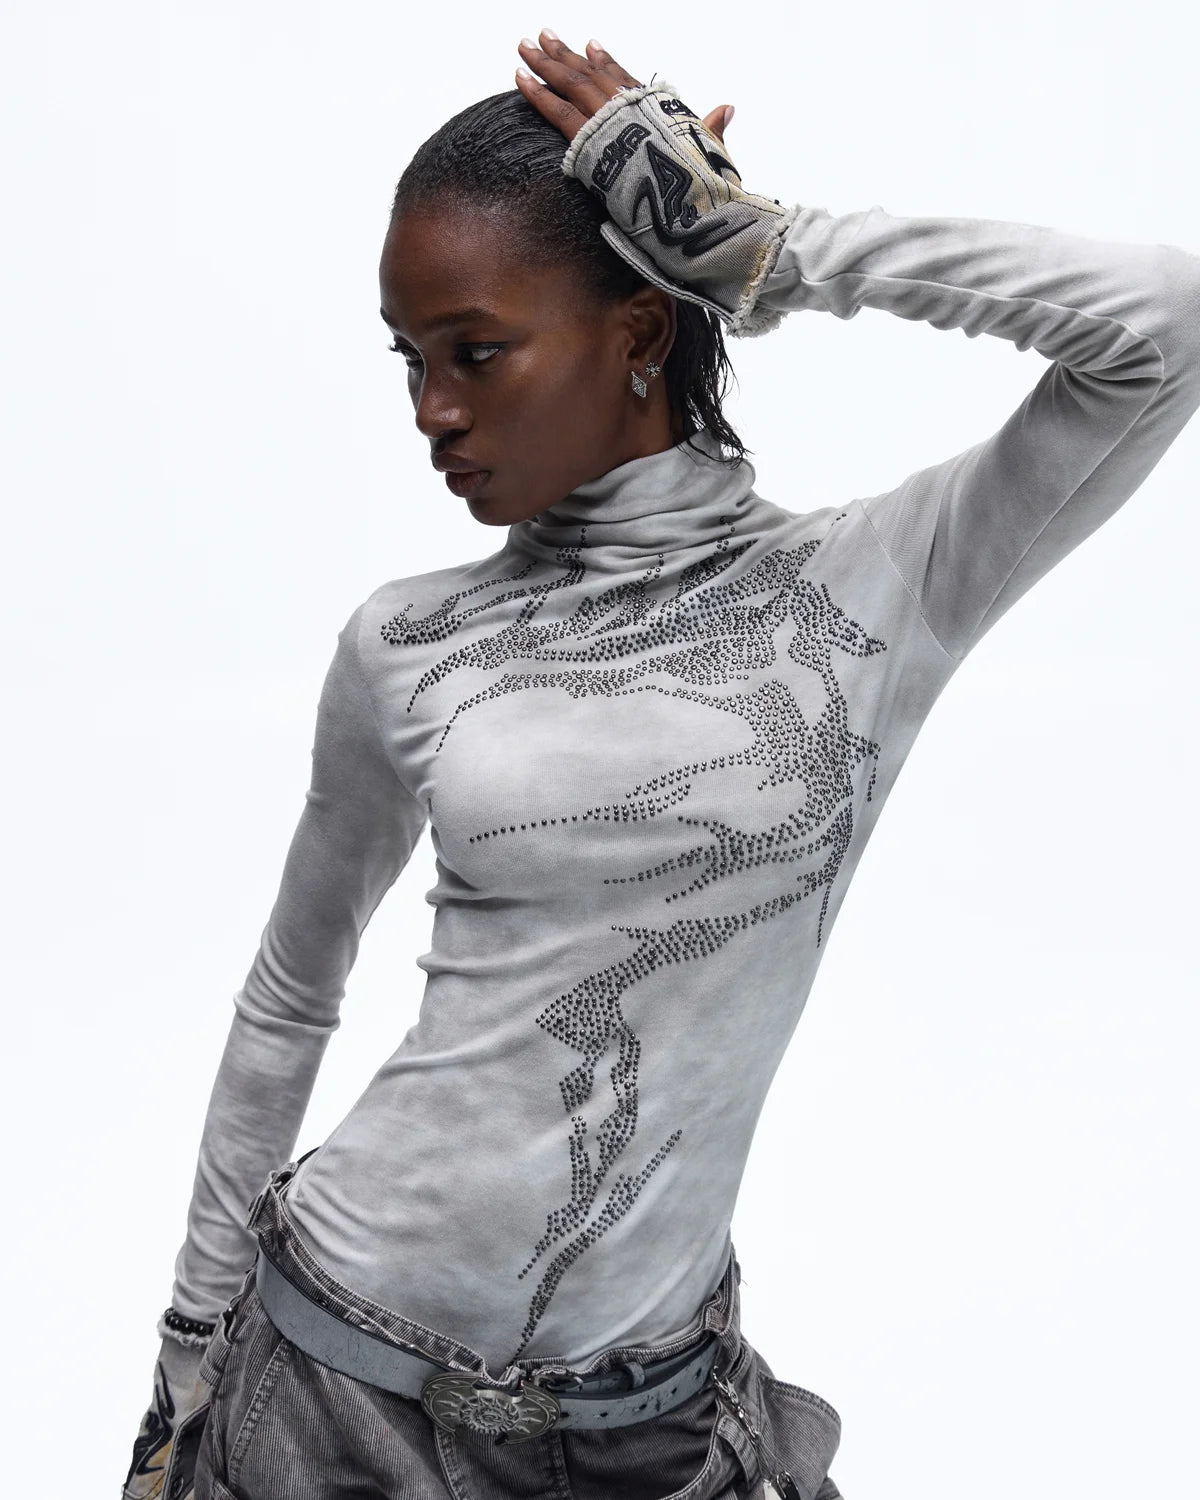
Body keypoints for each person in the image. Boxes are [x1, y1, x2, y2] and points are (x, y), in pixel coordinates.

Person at [121, 28, 1200, 1500]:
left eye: (475, 351)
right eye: (412, 361)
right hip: (328, 1394)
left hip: (657, 1428)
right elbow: (290, 996)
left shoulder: (874, 589)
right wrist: (189, 1351)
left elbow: (1164, 322)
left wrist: (766, 252)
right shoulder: (406, 645)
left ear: (639, 331)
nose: (432, 410)